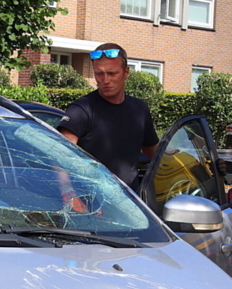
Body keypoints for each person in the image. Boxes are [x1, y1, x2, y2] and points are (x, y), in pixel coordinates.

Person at [58, 43, 159, 189]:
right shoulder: (81, 109)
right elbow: (61, 156)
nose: (105, 80)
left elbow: (153, 153)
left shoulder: (139, 109)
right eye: (99, 74)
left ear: (126, 72)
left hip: (131, 200)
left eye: (112, 73)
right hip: (94, 201)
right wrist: (69, 196)